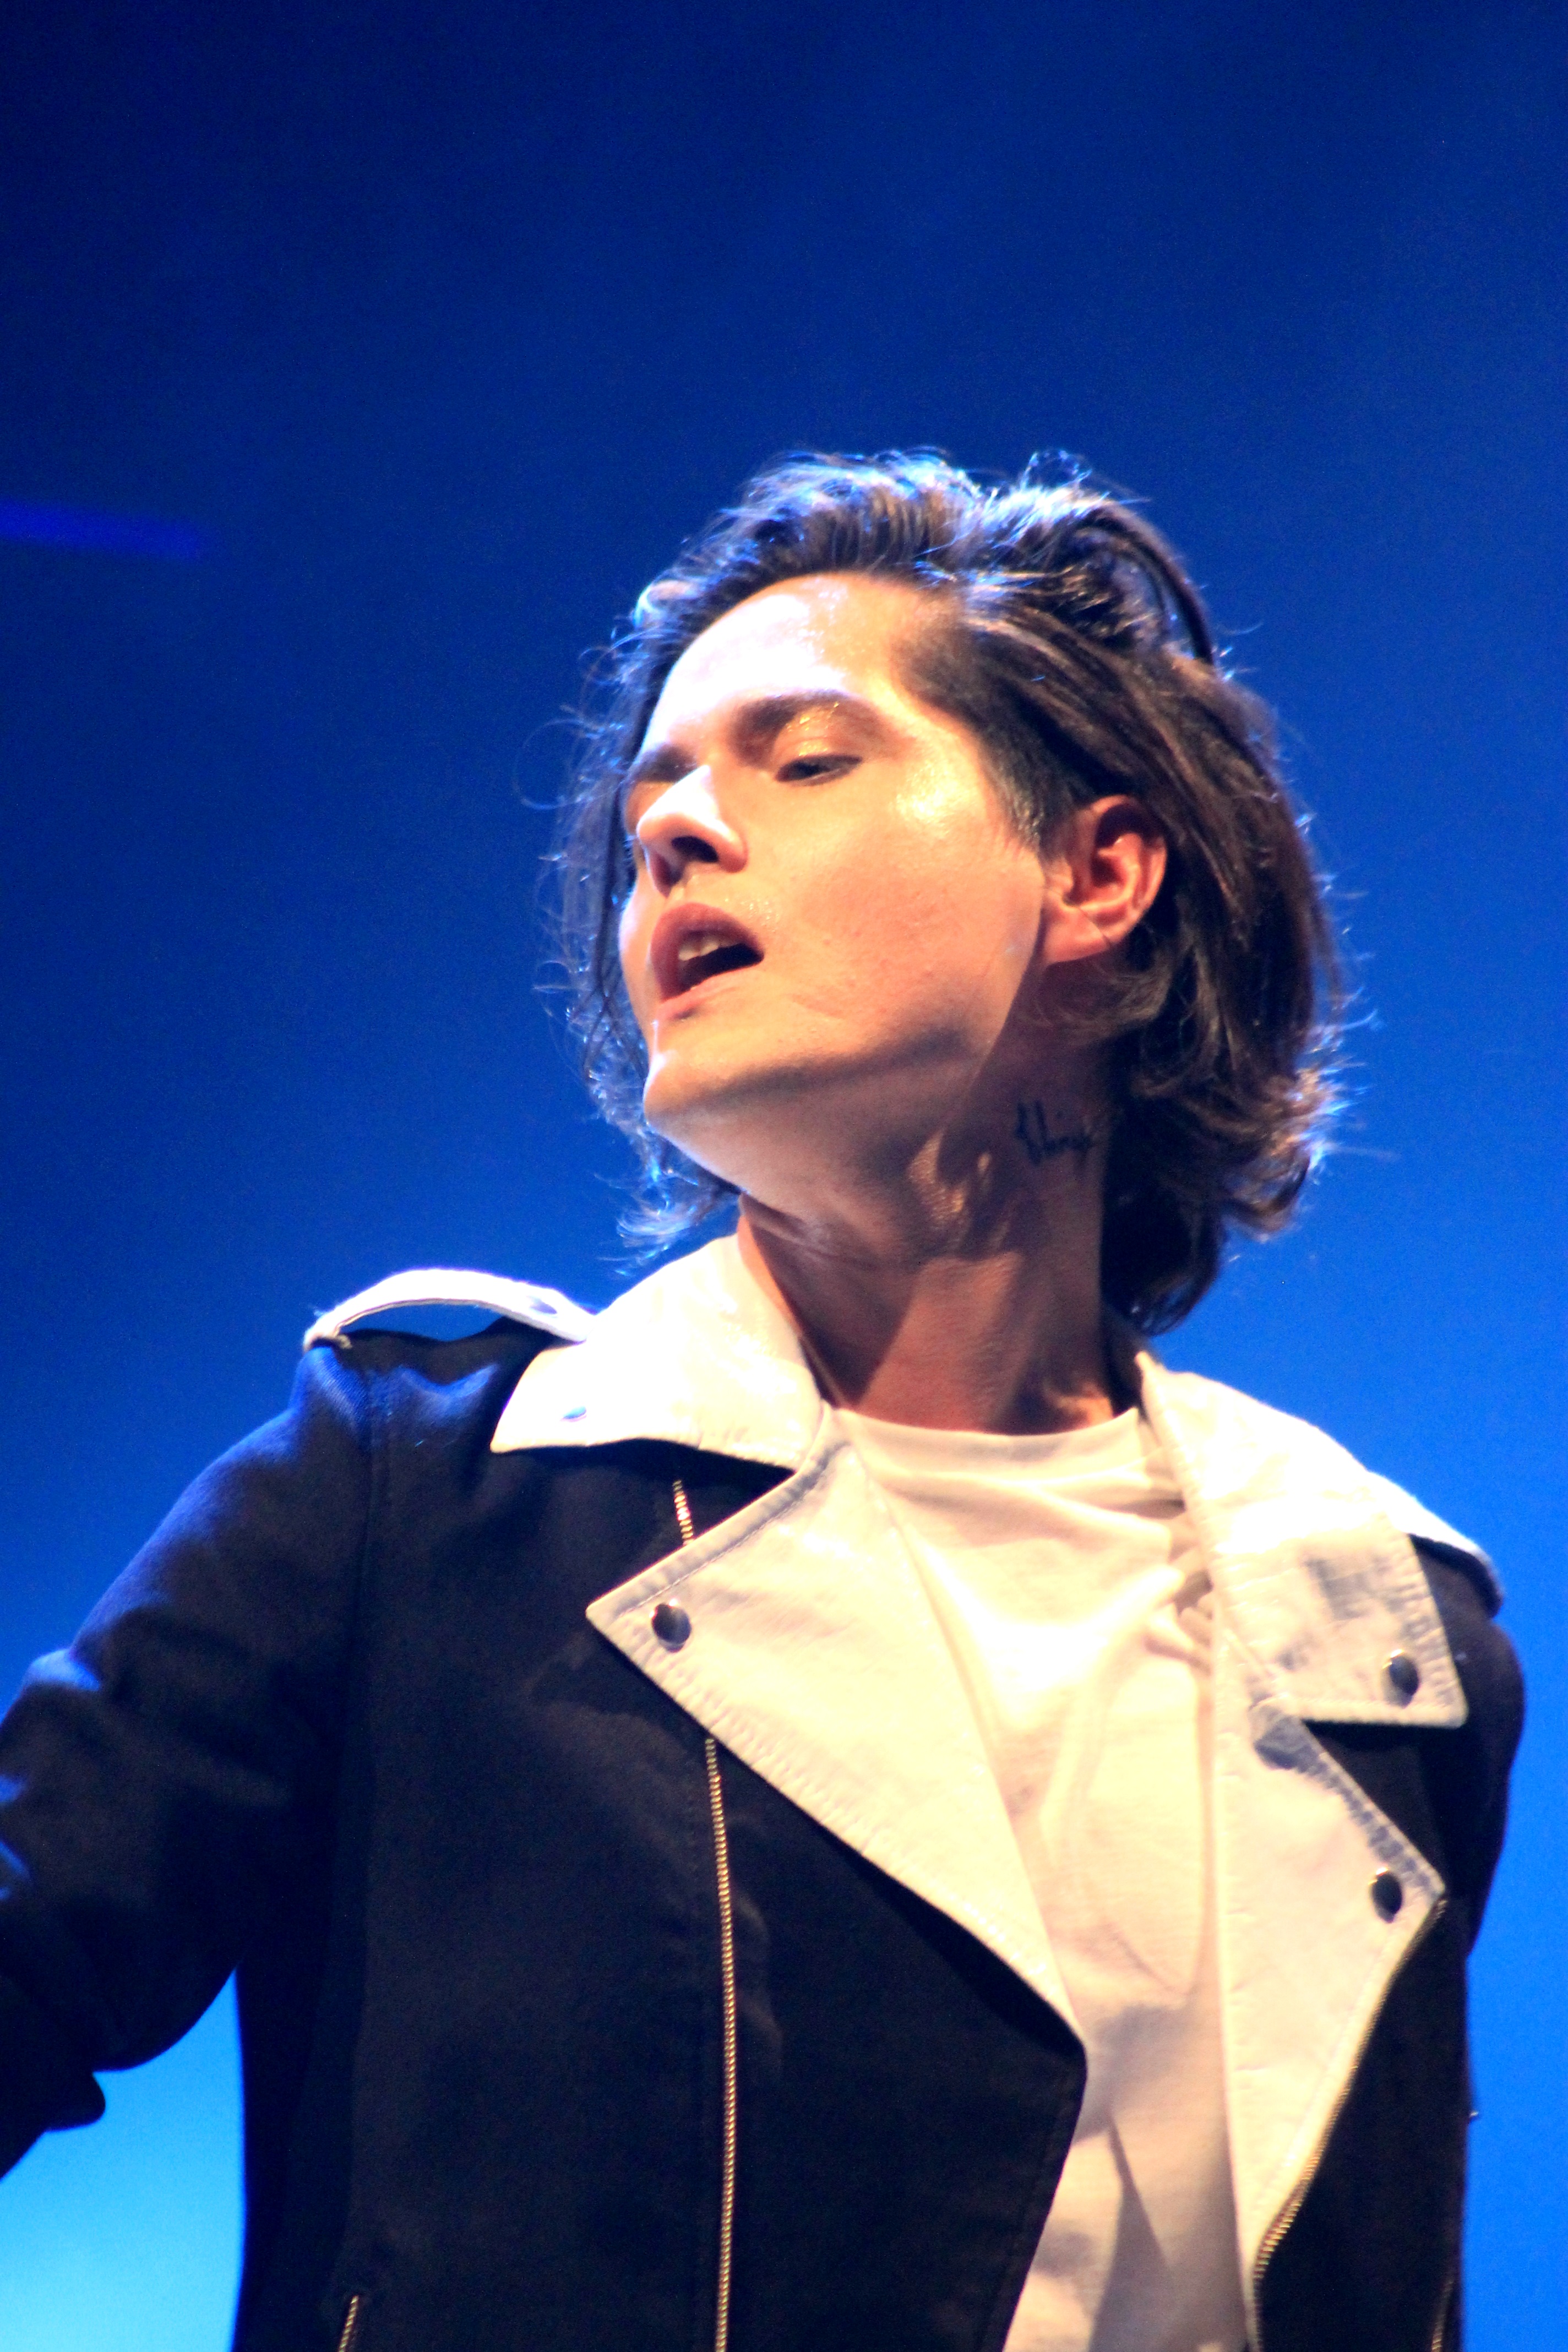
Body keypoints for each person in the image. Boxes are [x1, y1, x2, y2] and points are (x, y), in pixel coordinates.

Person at [0, 454, 1522, 2352]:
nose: (675, 832)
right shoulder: (422, 1493)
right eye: (652, 801)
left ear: (1098, 876)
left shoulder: (1385, 1633)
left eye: (803, 761)